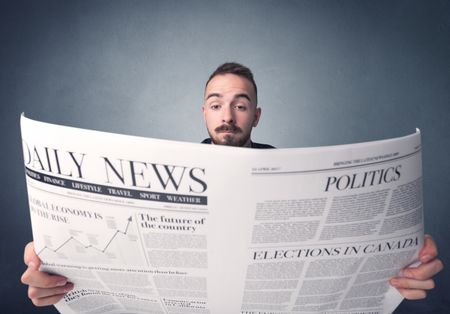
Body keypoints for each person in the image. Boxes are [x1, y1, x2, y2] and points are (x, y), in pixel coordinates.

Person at [21, 62, 443, 306]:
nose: (228, 115)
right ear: (203, 113)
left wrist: (403, 260)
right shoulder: (170, 172)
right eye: (217, 104)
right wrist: (55, 267)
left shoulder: (292, 171)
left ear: (256, 116)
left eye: (241, 105)